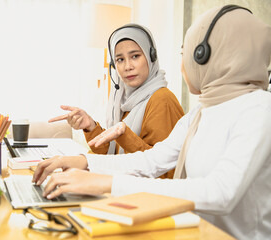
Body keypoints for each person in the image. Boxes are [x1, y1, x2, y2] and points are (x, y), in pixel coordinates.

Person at [33, 5, 271, 239]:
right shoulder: (201, 112)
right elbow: (152, 161)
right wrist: (83, 161)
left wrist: (104, 183)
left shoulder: (259, 108)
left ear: (206, 57)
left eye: (184, 55)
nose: (182, 66)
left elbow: (220, 193)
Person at [49, 23, 184, 178]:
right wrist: (90, 127)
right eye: (120, 59)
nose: (127, 66)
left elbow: (165, 172)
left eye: (135, 56)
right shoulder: (124, 100)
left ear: (151, 56)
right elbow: (113, 156)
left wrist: (124, 135)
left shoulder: (161, 100)